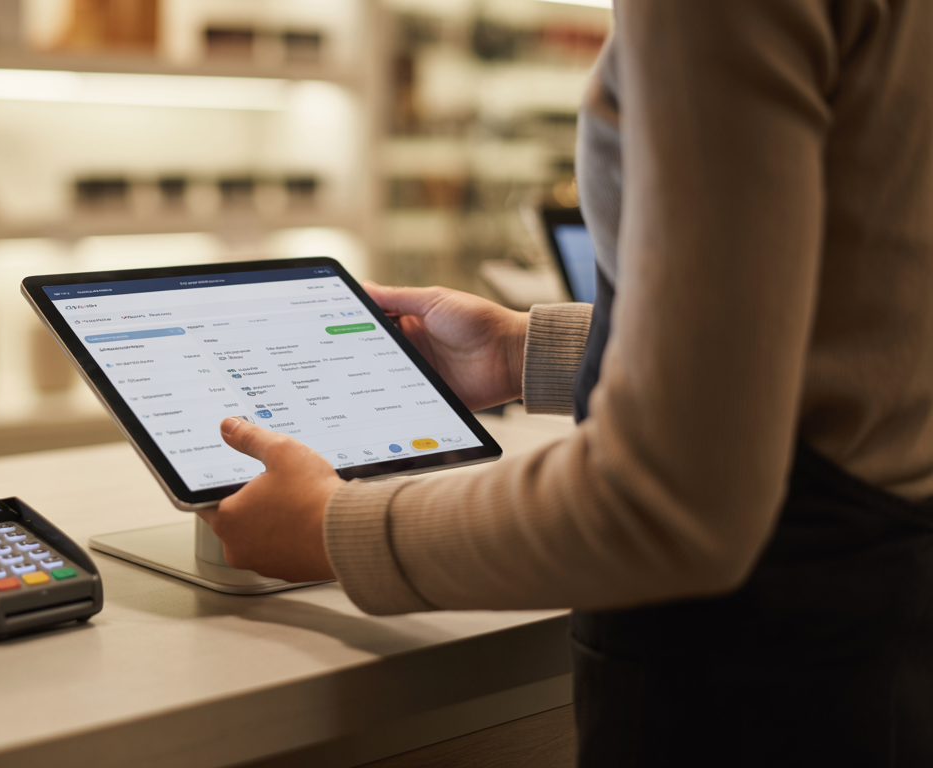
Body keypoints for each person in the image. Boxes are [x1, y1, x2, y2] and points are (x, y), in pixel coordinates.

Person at [197, 1, 933, 764]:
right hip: (867, 629)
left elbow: (669, 503)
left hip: (761, 676)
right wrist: (526, 353)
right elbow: (866, 313)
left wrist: (331, 528)